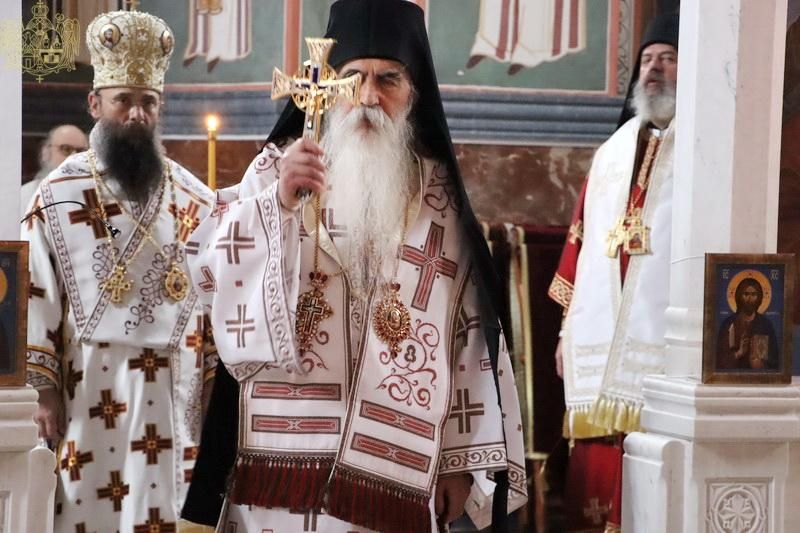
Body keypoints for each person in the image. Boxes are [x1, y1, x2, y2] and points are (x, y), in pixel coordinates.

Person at [182, 1, 527, 531]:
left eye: (389, 80)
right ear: (325, 85)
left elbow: (470, 330)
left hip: (396, 465)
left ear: (414, 93)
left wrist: (458, 462)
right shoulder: (276, 170)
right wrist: (279, 203)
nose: (369, 97)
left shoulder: (440, 199)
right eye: (354, 78)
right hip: (281, 461)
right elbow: (207, 272)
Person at [21, 9, 217, 532]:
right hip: (88, 394)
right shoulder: (57, 194)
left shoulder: (196, 198)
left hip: (173, 398)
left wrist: (213, 388)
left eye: (147, 102)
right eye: (122, 100)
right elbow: (36, 290)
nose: (135, 114)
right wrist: (41, 390)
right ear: (95, 104)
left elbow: (216, 297)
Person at [547, 12, 679, 533]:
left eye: (668, 59)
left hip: (665, 340)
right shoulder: (611, 153)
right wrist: (566, 333)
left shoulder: (704, 150)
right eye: (646, 60)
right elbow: (579, 244)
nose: (654, 69)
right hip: (599, 338)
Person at [20, 124, 88, 211]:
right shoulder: (25, 196)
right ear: (45, 153)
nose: (73, 157)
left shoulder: (94, 194)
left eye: (81, 152)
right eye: (66, 149)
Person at [716, 278, 779, 370]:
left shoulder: (765, 325)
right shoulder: (728, 324)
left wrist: (760, 364)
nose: (750, 299)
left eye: (753, 294)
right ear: (739, 296)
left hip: (759, 377)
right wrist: (739, 353)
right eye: (746, 294)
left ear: (759, 297)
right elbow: (719, 360)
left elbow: (774, 361)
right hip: (734, 376)